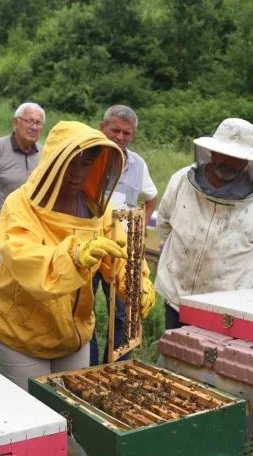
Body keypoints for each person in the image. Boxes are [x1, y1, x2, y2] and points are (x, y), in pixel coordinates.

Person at [0, 121, 156, 389]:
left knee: (71, 414)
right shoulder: (20, 205)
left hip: (75, 334)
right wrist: (74, 256)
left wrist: (136, 284)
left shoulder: (97, 208)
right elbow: (23, 257)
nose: (78, 173)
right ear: (54, 161)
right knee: (34, 421)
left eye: (86, 163)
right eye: (72, 162)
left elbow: (121, 255)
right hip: (23, 333)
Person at [155, 118, 253, 330]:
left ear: (248, 161)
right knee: (174, 357)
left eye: (237, 157)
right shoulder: (181, 181)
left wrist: (234, 271)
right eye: (224, 153)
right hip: (177, 295)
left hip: (228, 306)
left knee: (216, 361)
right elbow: (165, 224)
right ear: (211, 151)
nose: (229, 161)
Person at [89, 104, 159, 364]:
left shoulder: (138, 164)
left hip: (122, 249)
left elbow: (151, 197)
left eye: (126, 133)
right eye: (115, 130)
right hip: (89, 244)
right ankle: (88, 367)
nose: (120, 137)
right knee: (83, 311)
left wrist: (137, 228)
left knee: (124, 310)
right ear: (102, 128)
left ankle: (118, 368)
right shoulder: (87, 157)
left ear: (133, 135)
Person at [0, 102, 46, 288]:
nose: (34, 127)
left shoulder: (44, 154)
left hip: (31, 231)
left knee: (23, 284)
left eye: (39, 123)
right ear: (16, 122)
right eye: (29, 121)